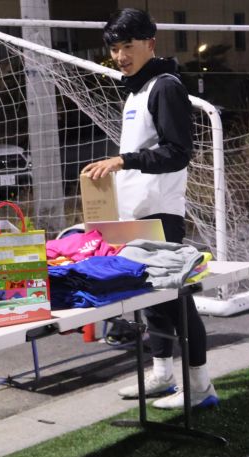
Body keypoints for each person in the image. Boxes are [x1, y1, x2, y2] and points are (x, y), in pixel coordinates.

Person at [82, 8, 218, 410]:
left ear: (150, 44)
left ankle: (201, 387)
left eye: (128, 46)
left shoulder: (165, 87)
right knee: (150, 299)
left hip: (161, 214)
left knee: (176, 300)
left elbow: (178, 153)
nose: (120, 56)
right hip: (136, 213)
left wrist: (124, 161)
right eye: (114, 49)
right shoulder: (136, 90)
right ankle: (162, 374)